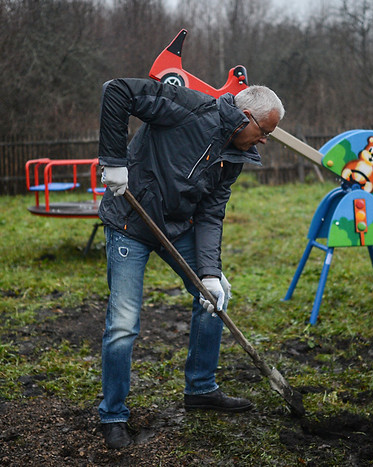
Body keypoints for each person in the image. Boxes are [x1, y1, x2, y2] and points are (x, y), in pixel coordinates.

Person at [96, 78, 284, 449]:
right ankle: (113, 414)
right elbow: (116, 91)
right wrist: (115, 162)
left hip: (177, 227)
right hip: (129, 220)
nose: (264, 141)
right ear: (246, 117)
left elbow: (212, 214)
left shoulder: (234, 156)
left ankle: (200, 388)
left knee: (215, 298)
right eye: (265, 132)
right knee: (123, 323)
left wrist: (210, 274)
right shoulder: (190, 107)